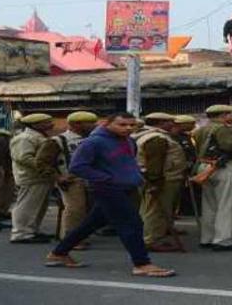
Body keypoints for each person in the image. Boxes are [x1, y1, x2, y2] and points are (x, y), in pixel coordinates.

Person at [45, 112, 176, 278]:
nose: (128, 128)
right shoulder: (93, 142)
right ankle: (142, 263)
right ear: (107, 124)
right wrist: (106, 178)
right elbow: (77, 167)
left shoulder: (129, 141)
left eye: (131, 125)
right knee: (131, 224)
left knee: (92, 223)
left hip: (127, 187)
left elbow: (128, 163)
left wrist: (137, 176)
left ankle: (59, 253)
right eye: (122, 124)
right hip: (108, 188)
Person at [192, 105, 232, 251]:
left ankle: (208, 237)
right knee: (228, 204)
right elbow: (230, 146)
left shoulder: (202, 129)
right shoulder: (223, 129)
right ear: (224, 115)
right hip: (225, 168)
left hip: (206, 167)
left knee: (210, 205)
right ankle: (224, 239)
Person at [134, 113, 187, 252]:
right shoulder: (156, 138)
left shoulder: (149, 135)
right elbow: (155, 163)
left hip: (158, 178)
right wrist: (155, 182)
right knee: (156, 211)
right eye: (170, 122)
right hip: (163, 179)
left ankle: (152, 237)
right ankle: (151, 240)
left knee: (151, 209)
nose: (173, 124)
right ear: (161, 123)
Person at [50, 111, 99, 247]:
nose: (94, 126)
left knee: (86, 210)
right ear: (76, 124)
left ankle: (79, 235)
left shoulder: (91, 140)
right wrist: (58, 177)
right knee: (75, 209)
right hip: (71, 180)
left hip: (90, 179)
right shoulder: (59, 140)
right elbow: (42, 162)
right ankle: (70, 238)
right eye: (89, 123)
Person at [9, 113, 57, 244]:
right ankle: (21, 233)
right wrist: (43, 166)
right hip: (31, 177)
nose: (51, 124)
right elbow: (24, 158)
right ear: (36, 125)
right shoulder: (25, 138)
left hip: (41, 177)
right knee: (27, 206)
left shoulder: (39, 136)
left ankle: (32, 230)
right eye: (47, 122)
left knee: (38, 207)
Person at [0, 129, 15, 223]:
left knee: (5, 192)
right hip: (2, 171)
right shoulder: (5, 145)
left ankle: (1, 211)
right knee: (2, 192)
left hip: (4, 171)